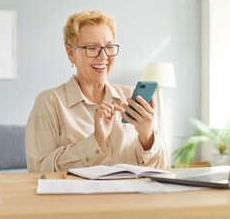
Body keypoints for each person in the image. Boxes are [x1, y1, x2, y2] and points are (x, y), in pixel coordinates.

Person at [25, 10, 165, 172]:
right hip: (77, 197)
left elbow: (160, 169)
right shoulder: (49, 102)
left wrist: (147, 135)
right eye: (92, 48)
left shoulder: (132, 99)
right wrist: (95, 141)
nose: (103, 56)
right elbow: (39, 170)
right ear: (71, 53)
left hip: (128, 196)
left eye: (109, 47)